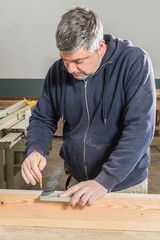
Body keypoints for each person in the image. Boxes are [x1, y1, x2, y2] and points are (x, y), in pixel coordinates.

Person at [21, 6, 156, 207]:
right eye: (65, 60)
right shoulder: (58, 71)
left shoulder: (134, 63)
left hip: (123, 183)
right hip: (79, 182)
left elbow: (139, 130)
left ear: (100, 47)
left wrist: (105, 180)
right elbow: (43, 118)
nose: (70, 69)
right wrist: (34, 149)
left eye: (78, 61)